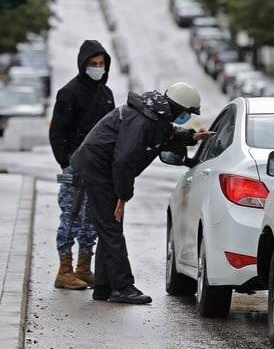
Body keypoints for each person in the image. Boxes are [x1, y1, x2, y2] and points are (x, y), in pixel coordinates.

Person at [70, 82, 215, 304]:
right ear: (179, 108)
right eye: (187, 112)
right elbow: (124, 160)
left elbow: (167, 133)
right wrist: (122, 195)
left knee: (110, 227)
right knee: (111, 227)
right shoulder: (143, 120)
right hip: (98, 169)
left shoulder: (155, 116)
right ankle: (122, 287)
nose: (186, 116)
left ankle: (103, 286)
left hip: (102, 168)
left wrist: (192, 137)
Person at [49, 40, 116, 290]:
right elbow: (58, 132)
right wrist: (65, 163)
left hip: (99, 168)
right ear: (83, 65)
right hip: (76, 167)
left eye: (101, 64)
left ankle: (84, 268)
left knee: (92, 219)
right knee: (71, 215)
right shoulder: (69, 93)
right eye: (93, 64)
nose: (98, 68)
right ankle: (64, 270)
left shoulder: (106, 94)